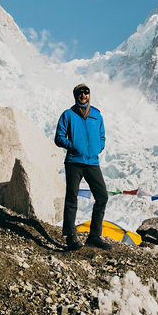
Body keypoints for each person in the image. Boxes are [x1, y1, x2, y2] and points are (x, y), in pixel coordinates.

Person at [54, 83, 111, 250]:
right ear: (75, 95)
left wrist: (97, 148)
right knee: (72, 197)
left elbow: (102, 136)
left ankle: (94, 236)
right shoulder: (68, 114)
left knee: (102, 197)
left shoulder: (96, 115)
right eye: (80, 92)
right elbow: (58, 138)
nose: (83, 95)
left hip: (92, 162)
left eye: (86, 92)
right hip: (74, 161)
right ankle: (70, 236)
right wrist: (73, 145)